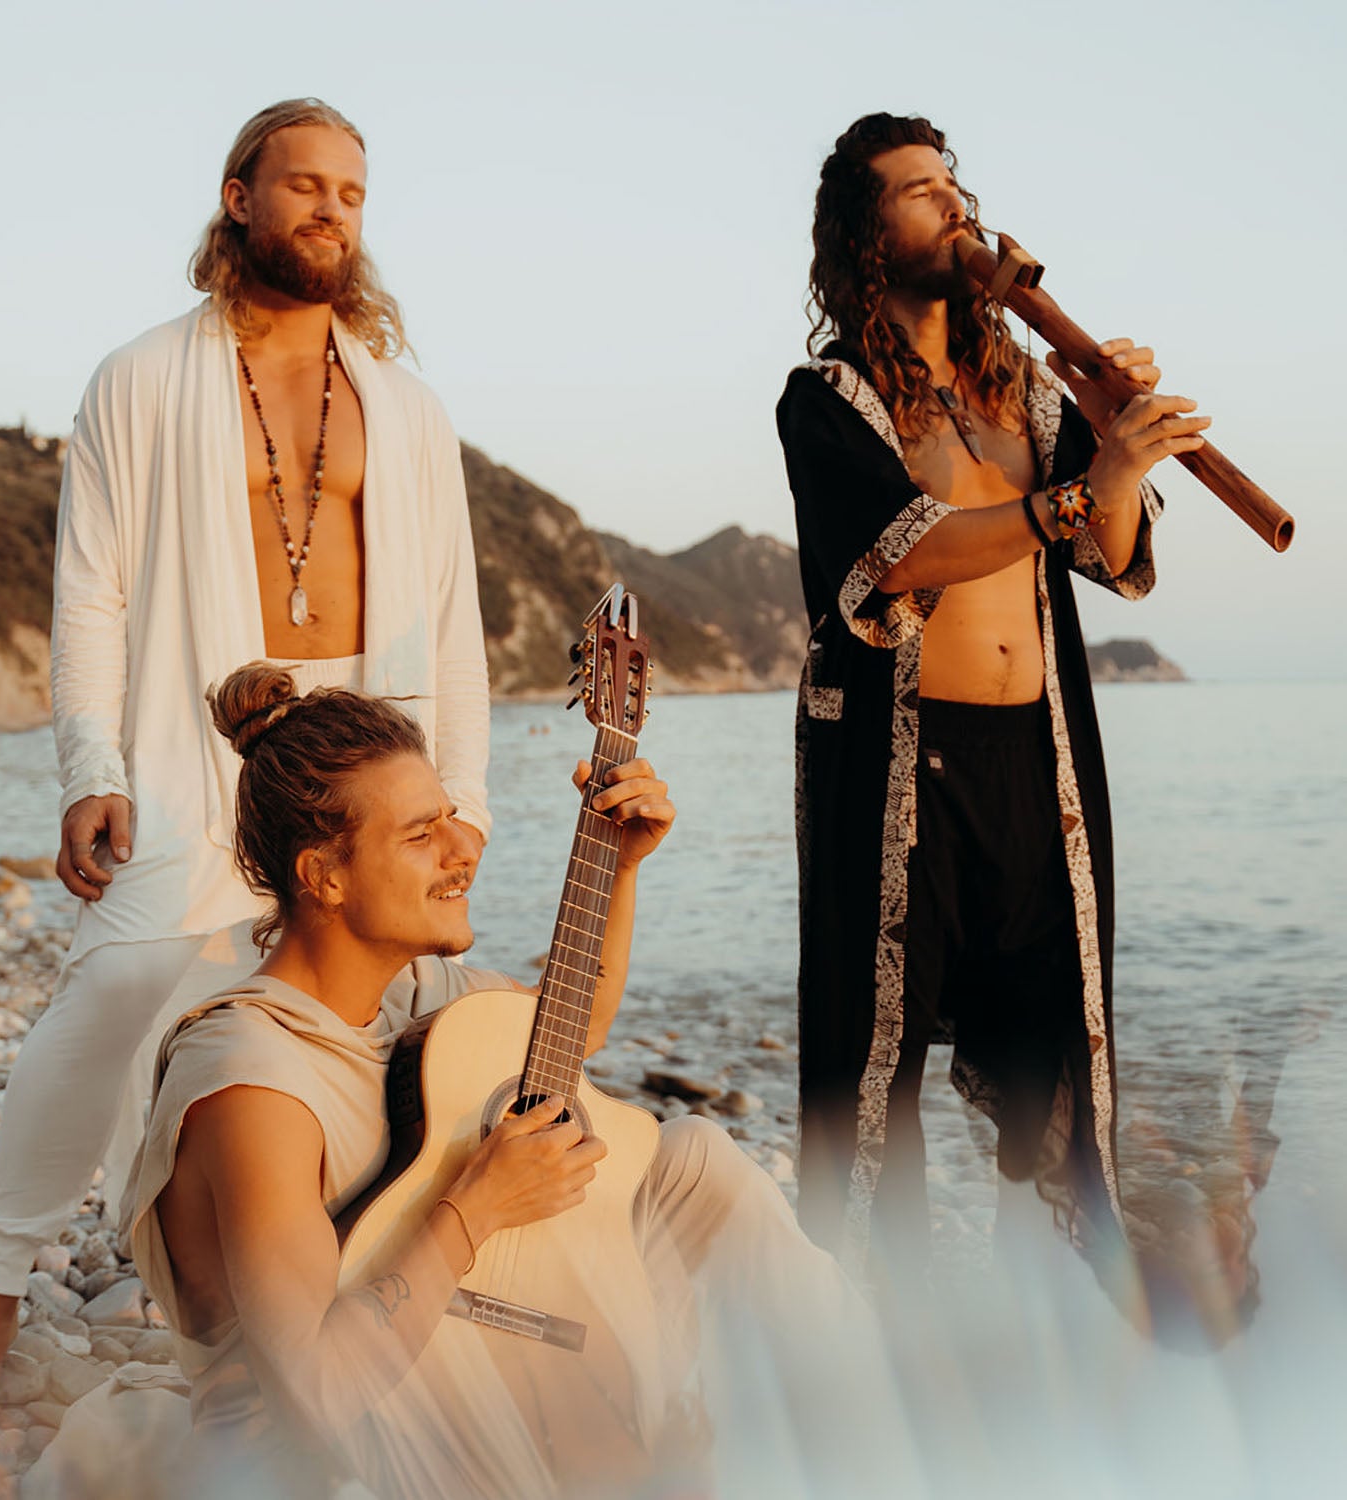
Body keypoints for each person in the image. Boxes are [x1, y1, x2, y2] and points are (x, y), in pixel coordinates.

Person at [0, 98, 491, 1426]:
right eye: (303, 186)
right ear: (237, 196)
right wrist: (88, 767)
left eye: (352, 192)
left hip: (374, 746)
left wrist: (456, 807)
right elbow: (93, 596)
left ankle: (366, 1307)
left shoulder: (406, 409)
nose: (330, 211)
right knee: (120, 982)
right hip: (194, 731)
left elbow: (451, 620)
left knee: (413, 1029)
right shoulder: (137, 378)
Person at [114, 663, 873, 1499]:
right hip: (333, 1453)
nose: (465, 848)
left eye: (452, 818)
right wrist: (476, 1207)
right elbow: (318, 1399)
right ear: (324, 876)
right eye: (420, 835)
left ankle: (875, 1407)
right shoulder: (253, 1086)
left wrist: (617, 869)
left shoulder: (404, 992)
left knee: (691, 1154)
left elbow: (566, 1032)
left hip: (455, 1345)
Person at [776, 113, 1210, 1283]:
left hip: (1040, 759)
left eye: (952, 182)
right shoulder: (828, 396)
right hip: (894, 764)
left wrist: (1118, 449)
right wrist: (1076, 498)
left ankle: (1079, 1306)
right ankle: (866, 1316)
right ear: (868, 237)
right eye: (917, 191)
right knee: (874, 1059)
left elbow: (1112, 557)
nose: (951, 203)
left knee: (1064, 1041)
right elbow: (900, 553)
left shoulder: (1024, 385)